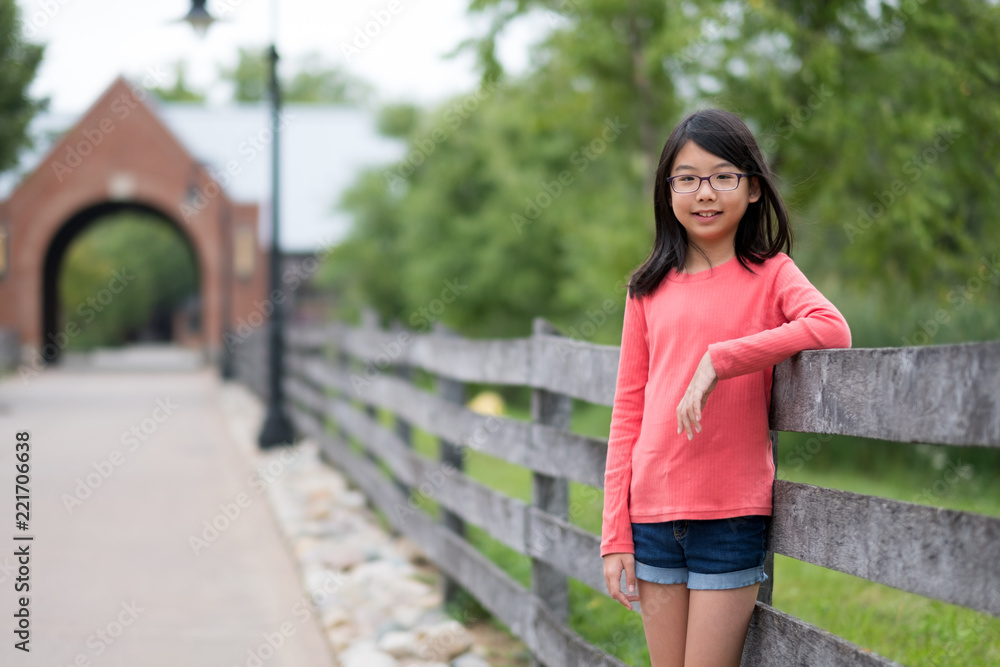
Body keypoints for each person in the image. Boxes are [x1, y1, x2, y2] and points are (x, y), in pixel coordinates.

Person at [600, 108, 851, 667]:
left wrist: (723, 357)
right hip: (653, 516)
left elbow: (832, 328)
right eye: (686, 178)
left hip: (731, 517)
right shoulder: (646, 289)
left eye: (722, 176)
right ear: (668, 192)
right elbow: (627, 414)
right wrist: (615, 534)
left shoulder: (772, 272)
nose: (704, 192)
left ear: (754, 188)